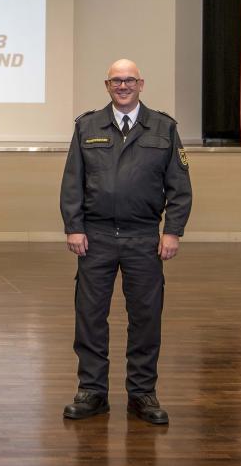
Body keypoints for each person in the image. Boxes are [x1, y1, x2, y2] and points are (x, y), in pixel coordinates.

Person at [59, 59, 192, 425]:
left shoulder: (164, 128)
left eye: (129, 80)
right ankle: (92, 391)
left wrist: (172, 231)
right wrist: (74, 226)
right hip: (96, 237)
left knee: (146, 318)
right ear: (106, 85)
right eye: (116, 80)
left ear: (141, 83)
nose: (123, 85)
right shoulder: (87, 126)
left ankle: (142, 393)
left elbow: (180, 187)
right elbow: (73, 182)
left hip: (143, 239)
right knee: (89, 318)